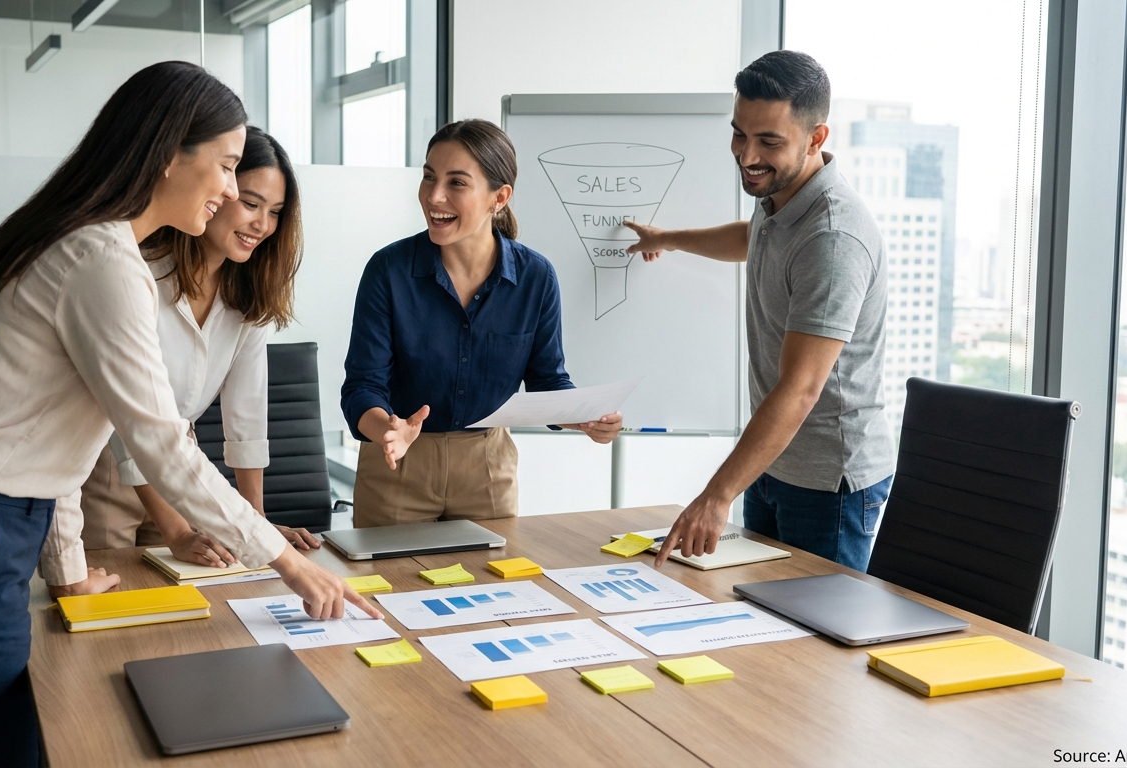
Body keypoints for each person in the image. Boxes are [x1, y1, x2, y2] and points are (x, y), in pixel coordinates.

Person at [0, 62, 379, 768]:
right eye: (225, 167)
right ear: (168, 156)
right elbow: (163, 445)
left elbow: (66, 434)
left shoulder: (85, 240)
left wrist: (68, 571)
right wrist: (288, 564)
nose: (229, 190)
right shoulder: (103, 260)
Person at [629, 51, 894, 572]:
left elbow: (801, 389)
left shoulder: (833, 239)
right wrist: (671, 238)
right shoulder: (781, 191)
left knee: (812, 646)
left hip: (827, 483)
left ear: (816, 138)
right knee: (759, 622)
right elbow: (757, 238)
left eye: (769, 141)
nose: (747, 156)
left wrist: (715, 494)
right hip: (774, 461)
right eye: (738, 135)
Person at [38, 128, 319, 584]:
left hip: (181, 465)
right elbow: (133, 424)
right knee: (112, 611)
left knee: (183, 606)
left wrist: (258, 525)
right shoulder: (136, 271)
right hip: (107, 463)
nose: (262, 225)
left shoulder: (249, 292)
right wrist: (176, 529)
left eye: (275, 213)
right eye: (250, 203)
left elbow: (246, 417)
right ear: (218, 190)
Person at [341, 119, 622, 527]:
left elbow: (547, 381)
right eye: (428, 177)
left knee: (497, 587)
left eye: (457, 183)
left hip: (487, 468)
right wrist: (388, 429)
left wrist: (584, 416)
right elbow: (362, 386)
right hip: (396, 466)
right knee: (388, 589)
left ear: (499, 197)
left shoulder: (535, 277)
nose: (434, 196)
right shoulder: (389, 270)